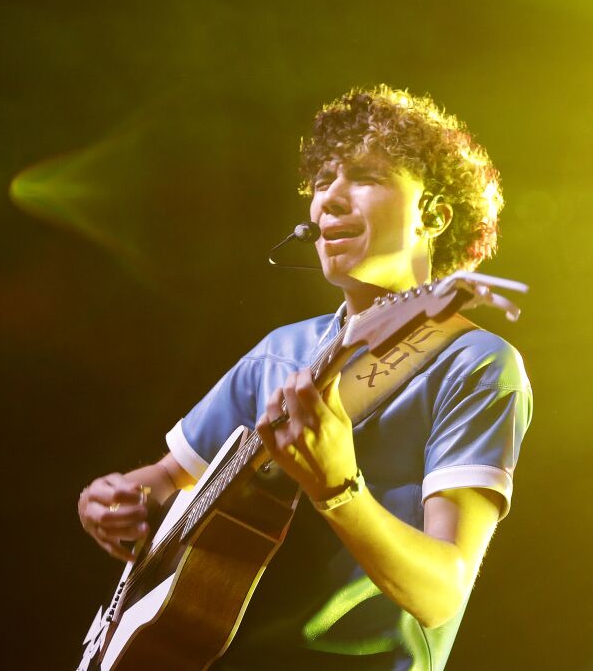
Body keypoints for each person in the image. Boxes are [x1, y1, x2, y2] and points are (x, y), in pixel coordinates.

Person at [77, 85, 532, 670]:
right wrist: (113, 502)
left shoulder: (475, 364)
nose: (328, 201)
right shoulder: (279, 354)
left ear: (435, 214)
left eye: (365, 176)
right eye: (320, 182)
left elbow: (441, 593)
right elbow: (165, 480)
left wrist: (339, 486)